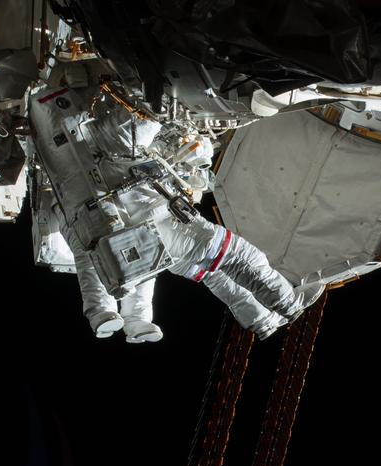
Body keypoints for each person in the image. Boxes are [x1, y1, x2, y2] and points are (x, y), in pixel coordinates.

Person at [29, 76, 323, 342]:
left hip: (120, 232)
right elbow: (154, 105)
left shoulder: (55, 159)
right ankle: (287, 304)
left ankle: (113, 317)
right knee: (238, 257)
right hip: (156, 223)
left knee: (197, 272)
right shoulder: (111, 134)